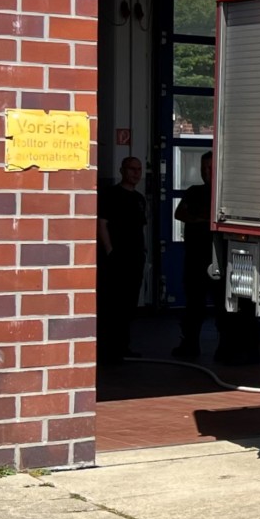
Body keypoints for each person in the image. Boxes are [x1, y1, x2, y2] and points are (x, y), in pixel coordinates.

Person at [97, 156, 148, 366]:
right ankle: (108, 349)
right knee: (113, 303)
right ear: (122, 170)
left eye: (139, 169)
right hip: (117, 257)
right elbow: (102, 223)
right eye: (131, 169)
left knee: (129, 303)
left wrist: (143, 252)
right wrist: (109, 250)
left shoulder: (139, 198)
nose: (136, 173)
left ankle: (123, 345)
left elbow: (141, 227)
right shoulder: (111, 195)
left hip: (135, 257)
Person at [173, 152, 216, 360]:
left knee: (222, 306)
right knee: (194, 306)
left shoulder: (221, 193)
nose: (206, 173)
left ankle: (226, 348)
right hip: (194, 257)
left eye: (210, 168)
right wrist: (200, 219)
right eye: (203, 168)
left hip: (217, 258)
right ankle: (190, 346)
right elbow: (179, 213)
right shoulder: (194, 191)